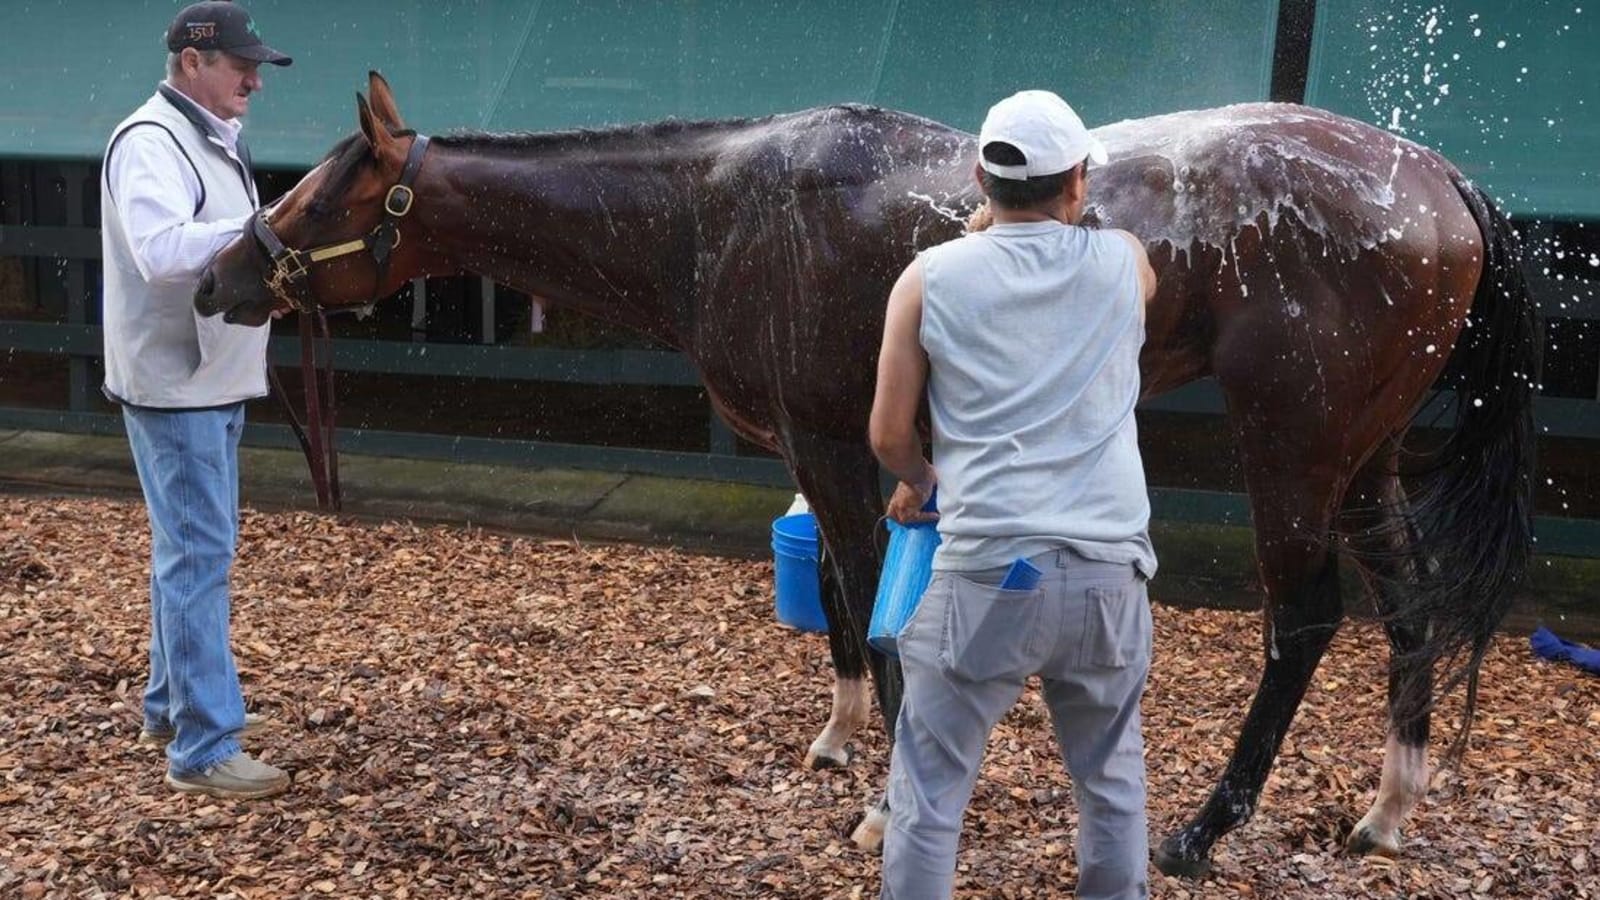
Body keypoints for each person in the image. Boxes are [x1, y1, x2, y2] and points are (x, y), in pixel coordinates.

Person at [869, 90, 1160, 899]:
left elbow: (890, 434)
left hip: (989, 575)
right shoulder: (1122, 260)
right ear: (1077, 185)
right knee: (1110, 779)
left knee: (928, 793)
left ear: (977, 180)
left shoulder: (925, 280)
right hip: (1107, 576)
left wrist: (926, 484)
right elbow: (1126, 273)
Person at [101, 0, 293, 799]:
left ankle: (167, 705)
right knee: (198, 559)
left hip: (205, 376)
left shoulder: (205, 134)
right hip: (178, 384)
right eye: (238, 64)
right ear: (191, 63)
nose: (254, 77)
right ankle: (204, 749)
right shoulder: (151, 142)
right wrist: (264, 231)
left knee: (186, 553)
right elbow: (160, 251)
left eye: (256, 64)